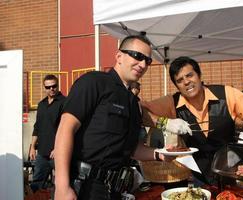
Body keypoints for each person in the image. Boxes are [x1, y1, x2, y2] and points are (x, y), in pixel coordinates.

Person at [54, 35, 178, 200]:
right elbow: (65, 129)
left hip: (114, 189)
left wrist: (160, 154)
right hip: (84, 186)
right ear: (119, 56)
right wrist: (62, 186)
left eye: (147, 61)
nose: (142, 64)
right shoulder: (94, 82)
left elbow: (131, 148)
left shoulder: (133, 102)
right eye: (138, 56)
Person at [141, 56, 243, 186]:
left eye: (189, 75)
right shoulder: (172, 102)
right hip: (200, 177)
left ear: (199, 75)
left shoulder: (226, 93)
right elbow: (139, 111)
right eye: (180, 80)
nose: (186, 82)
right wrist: (165, 122)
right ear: (177, 86)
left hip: (233, 173)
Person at [29, 74, 66, 192]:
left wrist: (58, 148)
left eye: (54, 86)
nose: (51, 89)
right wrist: (32, 147)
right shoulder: (41, 104)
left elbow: (65, 128)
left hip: (59, 153)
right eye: (48, 87)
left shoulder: (64, 102)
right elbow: (37, 127)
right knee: (36, 186)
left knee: (61, 186)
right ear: (44, 88)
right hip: (42, 154)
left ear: (57, 85)